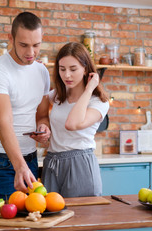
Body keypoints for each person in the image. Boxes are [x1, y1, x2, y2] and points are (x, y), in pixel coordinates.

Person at [0, 12, 51, 199]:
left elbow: (42, 114)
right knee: (6, 225)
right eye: (23, 45)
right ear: (11, 38)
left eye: (36, 45)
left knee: (32, 219)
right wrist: (19, 166)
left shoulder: (42, 71)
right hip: (1, 162)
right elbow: (4, 122)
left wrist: (44, 128)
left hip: (31, 158)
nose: (30, 53)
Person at [41, 42, 109, 198]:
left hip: (80, 164)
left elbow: (72, 124)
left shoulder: (99, 102)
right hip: (52, 163)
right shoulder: (58, 94)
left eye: (73, 69)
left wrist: (89, 89)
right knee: (51, 217)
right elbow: (40, 110)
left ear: (85, 69)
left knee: (82, 217)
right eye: (62, 69)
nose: (67, 75)